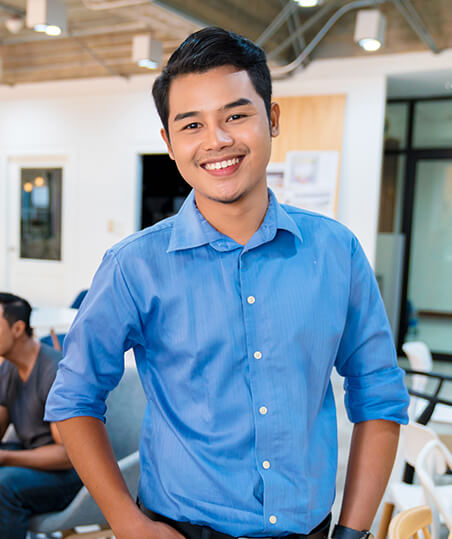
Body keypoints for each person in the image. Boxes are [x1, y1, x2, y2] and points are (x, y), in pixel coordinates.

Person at [45, 27, 409, 539]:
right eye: (191, 124)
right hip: (180, 528)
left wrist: (353, 532)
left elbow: (377, 393)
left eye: (236, 115)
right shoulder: (134, 265)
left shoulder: (336, 251)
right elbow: (73, 400)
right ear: (170, 143)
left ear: (272, 119)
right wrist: (128, 524)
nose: (217, 141)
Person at [0, 292, 82, 539]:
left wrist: (5, 457)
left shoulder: (53, 371)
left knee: (3, 486)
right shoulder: (8, 369)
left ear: (17, 328)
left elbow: (67, 455)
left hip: (70, 475)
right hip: (33, 460)